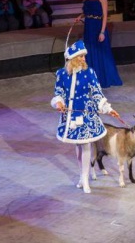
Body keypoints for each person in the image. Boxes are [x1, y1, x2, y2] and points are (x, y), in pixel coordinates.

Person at [50, 39, 120, 193]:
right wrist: (59, 103)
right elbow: (59, 92)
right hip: (71, 115)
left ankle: (85, 177)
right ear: (73, 58)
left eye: (84, 56)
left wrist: (108, 108)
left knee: (86, 144)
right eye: (80, 56)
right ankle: (82, 176)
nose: (83, 59)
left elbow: (96, 93)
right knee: (78, 144)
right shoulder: (62, 74)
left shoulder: (89, 73)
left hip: (86, 114)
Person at [75, 0, 123, 88]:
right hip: (88, 27)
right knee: (90, 52)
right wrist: (80, 16)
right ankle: (91, 79)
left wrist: (102, 32)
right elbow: (86, 11)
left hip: (98, 27)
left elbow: (105, 16)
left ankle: (103, 78)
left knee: (101, 53)